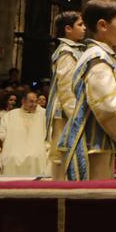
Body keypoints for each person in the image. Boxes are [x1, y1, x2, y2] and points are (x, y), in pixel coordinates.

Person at [58, 0, 116, 181]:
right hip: (91, 144)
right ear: (102, 25)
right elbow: (106, 105)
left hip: (97, 141)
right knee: (93, 201)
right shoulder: (98, 58)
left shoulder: (101, 55)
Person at [48, 11, 85, 180]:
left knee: (68, 152)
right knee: (60, 152)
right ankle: (57, 191)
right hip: (65, 110)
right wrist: (75, 115)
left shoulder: (75, 50)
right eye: (80, 25)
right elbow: (66, 87)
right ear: (68, 29)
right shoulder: (66, 52)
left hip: (72, 108)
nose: (84, 28)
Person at [0, 90, 48, 176]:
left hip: (38, 148)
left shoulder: (44, 114)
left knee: (36, 157)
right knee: (11, 157)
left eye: (36, 101)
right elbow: (2, 134)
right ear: (23, 101)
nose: (35, 104)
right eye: (31, 102)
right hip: (14, 148)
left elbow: (50, 132)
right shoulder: (11, 115)